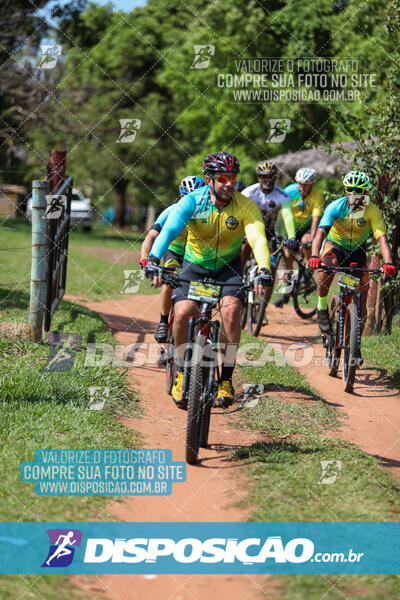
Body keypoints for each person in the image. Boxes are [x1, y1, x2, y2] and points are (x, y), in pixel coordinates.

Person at [146, 151, 273, 408]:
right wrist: (153, 259)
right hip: (195, 266)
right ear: (210, 179)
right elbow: (169, 230)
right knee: (181, 314)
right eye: (223, 178)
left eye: (233, 178)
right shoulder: (192, 201)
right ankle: (181, 372)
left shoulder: (245, 206)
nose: (229, 183)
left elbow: (257, 237)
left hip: (228, 268)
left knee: (232, 311)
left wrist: (263, 268)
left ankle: (225, 379)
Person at [308, 170, 396, 342]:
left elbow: (382, 240)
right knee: (328, 263)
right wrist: (314, 255)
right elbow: (319, 234)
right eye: (351, 190)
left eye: (359, 191)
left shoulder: (372, 210)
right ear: (345, 191)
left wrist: (388, 262)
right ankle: (322, 305)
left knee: (361, 303)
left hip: (357, 251)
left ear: (365, 193)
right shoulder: (335, 207)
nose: (354, 195)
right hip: (335, 245)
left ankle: (356, 347)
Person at [140, 176, 206, 342]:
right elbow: (151, 237)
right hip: (175, 253)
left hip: (197, 255)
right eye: (188, 197)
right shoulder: (171, 211)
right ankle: (163, 321)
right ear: (182, 196)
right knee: (170, 278)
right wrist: (145, 259)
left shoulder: (208, 213)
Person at [241, 160, 297, 311]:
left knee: (271, 270)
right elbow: (238, 212)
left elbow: (288, 216)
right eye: (263, 177)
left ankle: (263, 308)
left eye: (271, 177)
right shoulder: (248, 193)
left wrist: (291, 237)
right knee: (244, 248)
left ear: (275, 177)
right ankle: (239, 277)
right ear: (258, 178)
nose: (267, 180)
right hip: (249, 229)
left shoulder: (282, 195)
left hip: (270, 233)